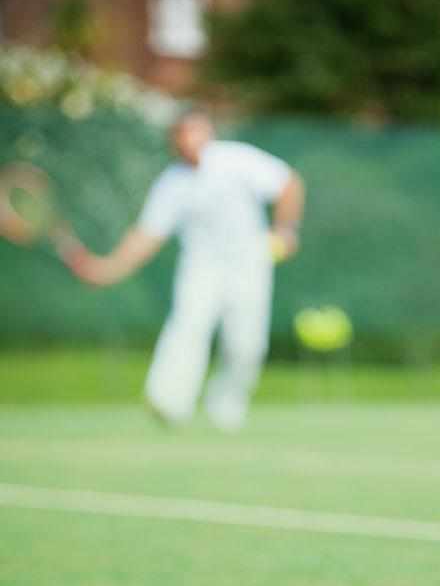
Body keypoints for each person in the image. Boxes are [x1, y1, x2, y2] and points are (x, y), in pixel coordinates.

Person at [68, 110, 305, 430]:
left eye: (197, 132)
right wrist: (108, 269)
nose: (192, 141)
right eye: (184, 134)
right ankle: (168, 401)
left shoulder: (236, 160)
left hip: (251, 262)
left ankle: (226, 405)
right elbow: (146, 235)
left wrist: (285, 230)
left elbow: (289, 183)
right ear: (175, 140)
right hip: (201, 265)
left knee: (246, 344)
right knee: (187, 327)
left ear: (209, 133)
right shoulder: (171, 183)